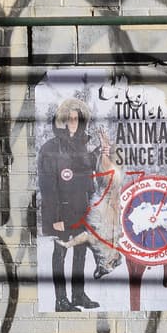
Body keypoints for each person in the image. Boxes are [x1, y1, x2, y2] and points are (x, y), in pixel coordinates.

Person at [38, 96, 108, 312]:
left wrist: (102, 150)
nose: (73, 122)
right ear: (62, 120)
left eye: (77, 118)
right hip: (61, 211)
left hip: (81, 210)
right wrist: (55, 217)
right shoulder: (50, 148)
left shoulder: (82, 146)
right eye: (69, 118)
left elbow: (90, 168)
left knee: (81, 252)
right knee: (60, 253)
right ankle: (61, 300)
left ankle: (78, 295)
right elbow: (47, 187)